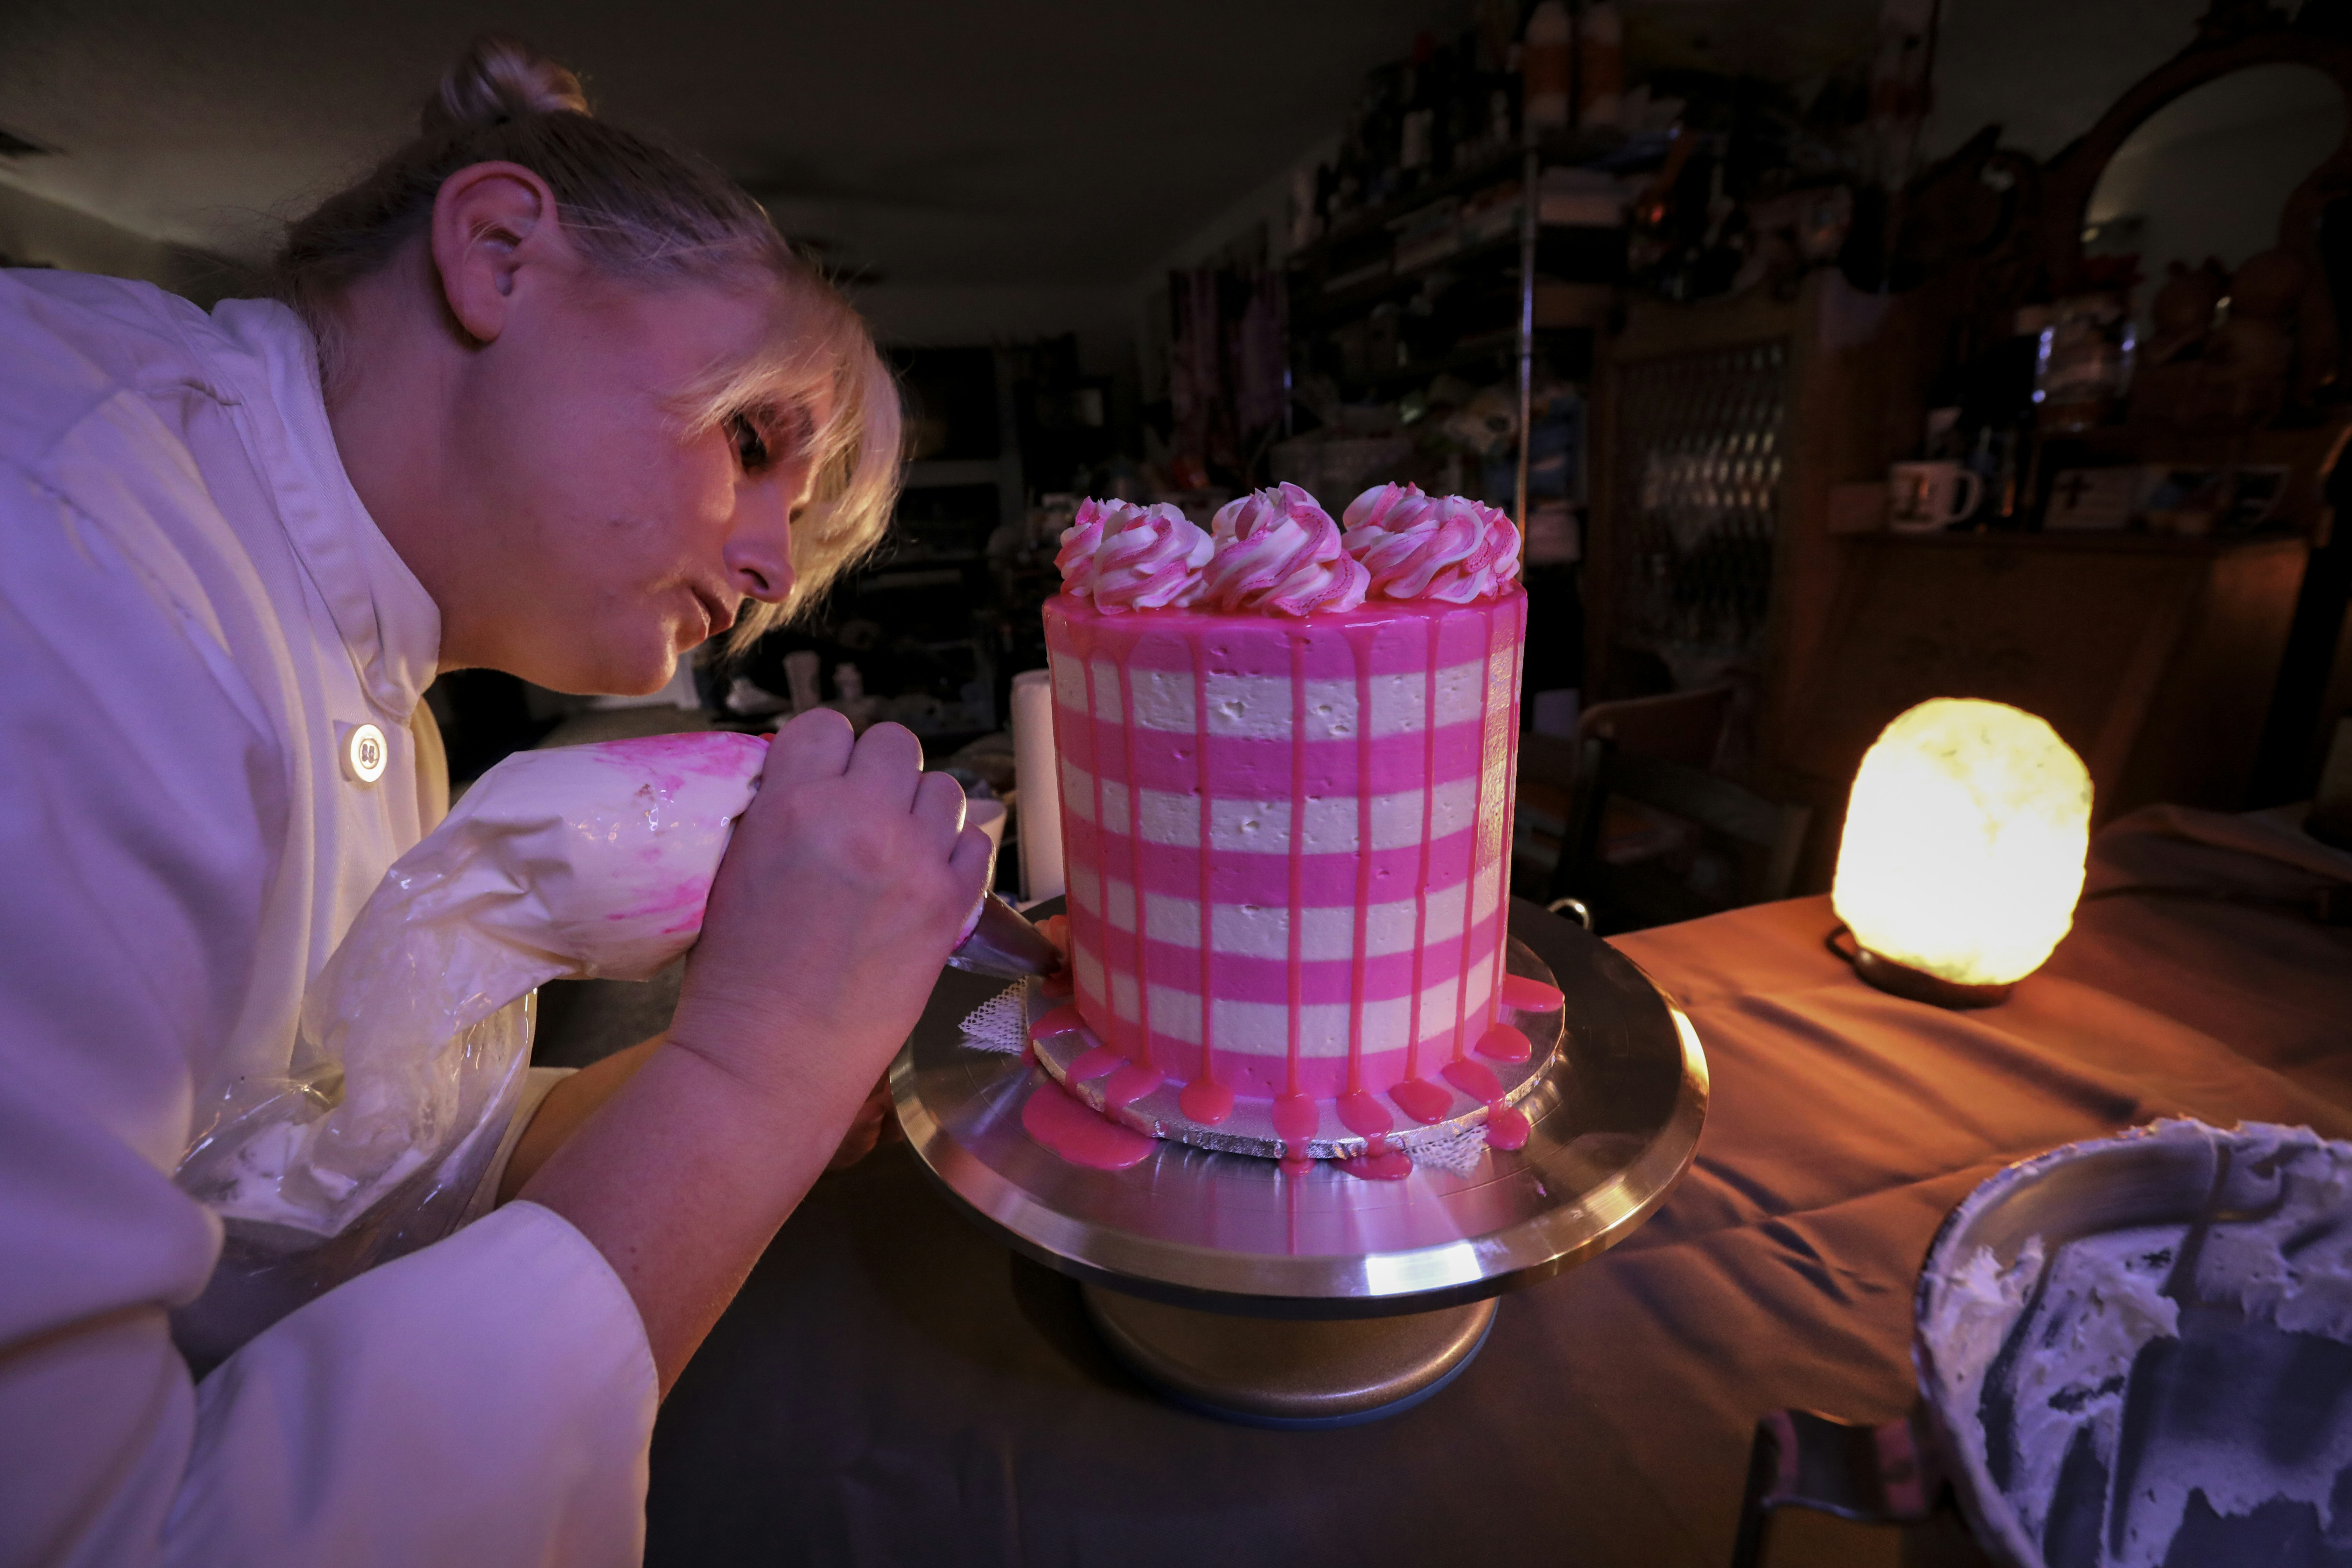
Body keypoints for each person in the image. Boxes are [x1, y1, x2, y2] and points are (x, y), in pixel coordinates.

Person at [0, 35, 990, 1567]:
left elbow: (325, 1156)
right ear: (501, 253)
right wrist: (749, 1083)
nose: (773, 571)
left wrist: (705, 1069)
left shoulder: (383, 696)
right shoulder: (74, 567)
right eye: (751, 443)